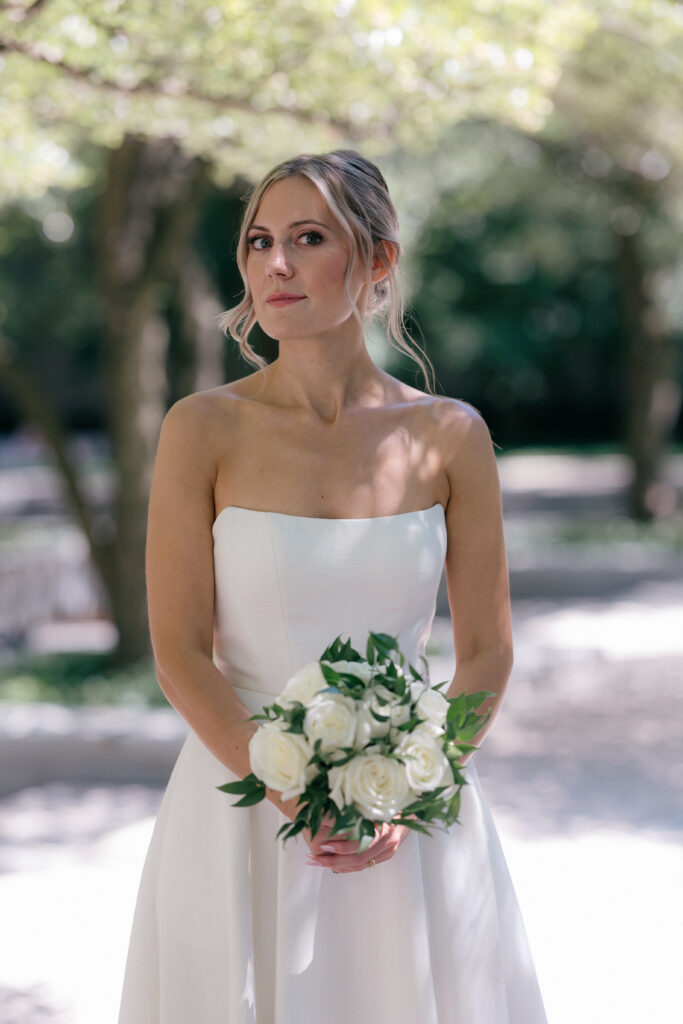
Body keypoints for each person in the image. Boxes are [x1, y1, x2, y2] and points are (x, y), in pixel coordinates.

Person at [117, 149, 547, 1023]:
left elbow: (488, 649)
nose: (275, 264)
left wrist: (412, 787)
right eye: (259, 241)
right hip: (236, 814)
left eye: (308, 239)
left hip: (412, 813)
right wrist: (286, 787)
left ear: (377, 261)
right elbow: (178, 651)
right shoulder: (201, 429)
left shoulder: (449, 436)